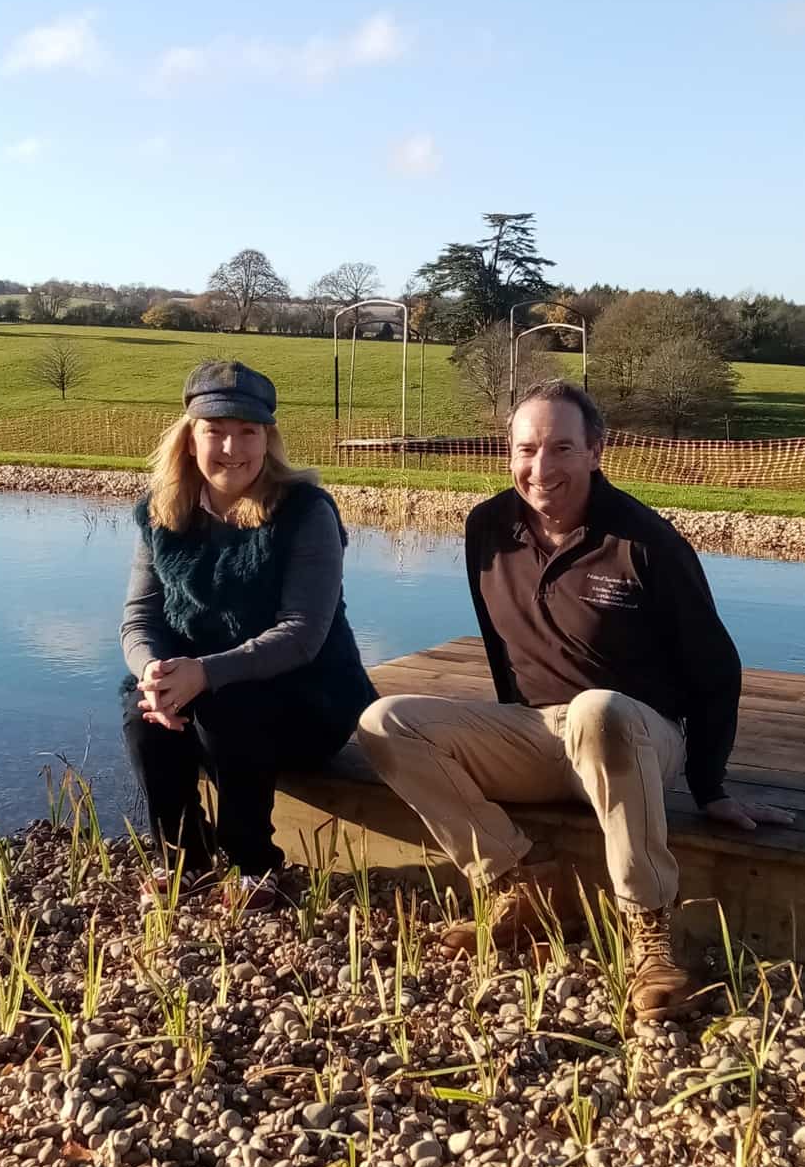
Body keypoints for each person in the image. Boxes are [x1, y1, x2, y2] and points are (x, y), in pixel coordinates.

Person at [356, 379, 794, 1019]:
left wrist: (710, 788)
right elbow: (502, 644)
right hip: (537, 731)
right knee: (383, 721)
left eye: (561, 448)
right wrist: (506, 724)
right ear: (507, 454)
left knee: (598, 710)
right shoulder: (488, 528)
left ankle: (648, 931)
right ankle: (520, 883)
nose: (541, 468)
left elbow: (716, 670)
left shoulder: (646, 542)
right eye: (526, 449)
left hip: (638, 735)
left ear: (596, 450)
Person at [120, 359, 375, 906]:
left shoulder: (306, 512)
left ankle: (254, 865)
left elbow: (303, 632)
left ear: (268, 439)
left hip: (310, 703)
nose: (232, 449)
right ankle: (184, 863)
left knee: (226, 702)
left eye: (247, 433)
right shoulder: (160, 514)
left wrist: (204, 674)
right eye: (216, 431)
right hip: (207, 698)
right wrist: (154, 673)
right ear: (190, 439)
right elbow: (139, 617)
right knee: (139, 709)